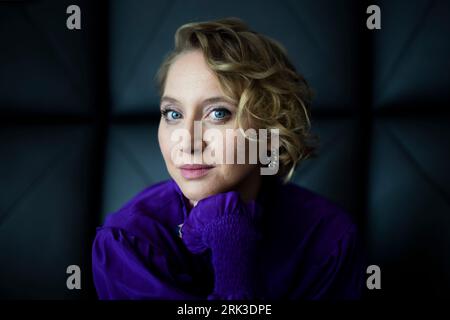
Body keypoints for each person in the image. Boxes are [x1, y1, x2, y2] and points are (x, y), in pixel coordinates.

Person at [92, 17, 366, 300]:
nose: (187, 141)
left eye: (218, 113)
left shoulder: (329, 239)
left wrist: (231, 245)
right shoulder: (128, 243)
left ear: (271, 129)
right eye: (173, 114)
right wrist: (231, 247)